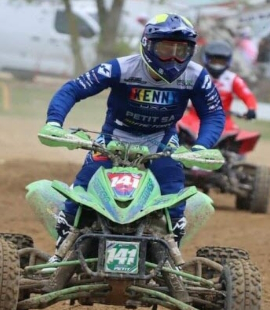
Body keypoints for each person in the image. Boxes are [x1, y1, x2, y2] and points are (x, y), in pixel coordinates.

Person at [38, 14, 226, 263]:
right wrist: (54, 122)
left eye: (181, 50)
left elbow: (213, 113)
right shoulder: (121, 67)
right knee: (80, 194)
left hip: (161, 143)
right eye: (165, 48)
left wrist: (201, 146)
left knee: (174, 200)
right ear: (148, 44)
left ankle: (168, 257)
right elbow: (74, 88)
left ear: (191, 50)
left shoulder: (197, 76)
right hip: (113, 139)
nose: (172, 58)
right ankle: (62, 253)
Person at [178, 40, 257, 133]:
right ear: (206, 59)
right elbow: (179, 91)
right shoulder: (196, 74)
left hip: (223, 121)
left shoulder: (233, 79)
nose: (217, 65)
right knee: (175, 130)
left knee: (237, 137)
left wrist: (251, 109)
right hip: (193, 118)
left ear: (228, 61)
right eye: (214, 61)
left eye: (221, 62)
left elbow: (247, 95)